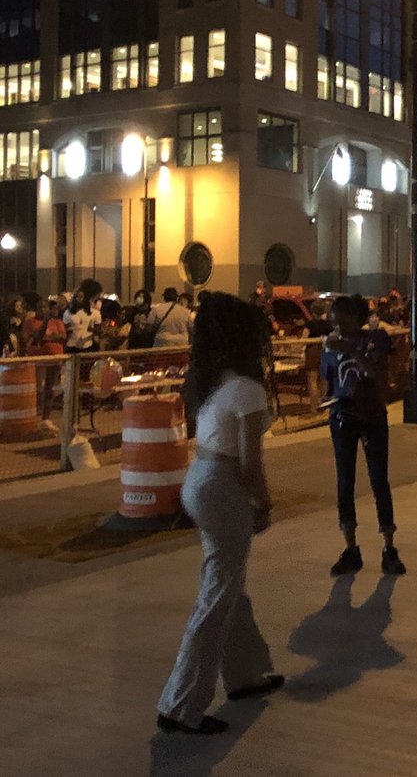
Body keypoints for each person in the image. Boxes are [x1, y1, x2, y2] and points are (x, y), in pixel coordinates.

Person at [156, 293, 282, 735]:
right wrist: (263, 504)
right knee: (218, 593)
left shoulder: (216, 383)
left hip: (200, 482)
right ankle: (181, 703)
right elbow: (250, 463)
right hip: (222, 486)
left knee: (229, 584)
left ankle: (245, 674)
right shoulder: (247, 389)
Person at [321, 294, 404, 577]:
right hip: (342, 417)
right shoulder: (330, 345)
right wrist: (328, 398)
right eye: (334, 323)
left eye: (342, 322)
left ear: (356, 319)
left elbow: (379, 376)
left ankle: (389, 546)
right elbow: (330, 381)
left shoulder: (375, 338)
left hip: (372, 417)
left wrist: (351, 350)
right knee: (345, 482)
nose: (338, 329)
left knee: (378, 479)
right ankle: (350, 547)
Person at [22, 298, 66, 426]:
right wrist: (49, 335)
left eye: (44, 307)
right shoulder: (30, 322)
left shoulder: (56, 321)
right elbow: (37, 336)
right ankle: (36, 414)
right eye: (40, 307)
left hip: (54, 358)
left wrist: (48, 338)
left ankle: (46, 416)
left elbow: (62, 336)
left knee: (50, 387)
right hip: (39, 359)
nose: (42, 310)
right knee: (39, 387)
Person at [62, 288, 100, 354]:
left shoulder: (95, 312)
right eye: (76, 297)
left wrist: (92, 330)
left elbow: (99, 331)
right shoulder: (67, 313)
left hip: (87, 347)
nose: (78, 299)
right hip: (71, 347)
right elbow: (65, 331)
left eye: (81, 297)